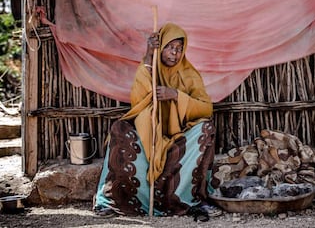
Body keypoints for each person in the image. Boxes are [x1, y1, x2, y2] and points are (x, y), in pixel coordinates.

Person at [93, 23, 222, 219]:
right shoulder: (149, 69)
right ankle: (113, 200)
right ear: (161, 48)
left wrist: (177, 96)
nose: (175, 54)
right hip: (150, 139)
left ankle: (184, 197)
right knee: (119, 130)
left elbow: (206, 108)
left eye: (179, 49)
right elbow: (139, 100)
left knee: (206, 128)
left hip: (178, 141)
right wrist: (147, 56)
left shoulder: (189, 74)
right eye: (170, 47)